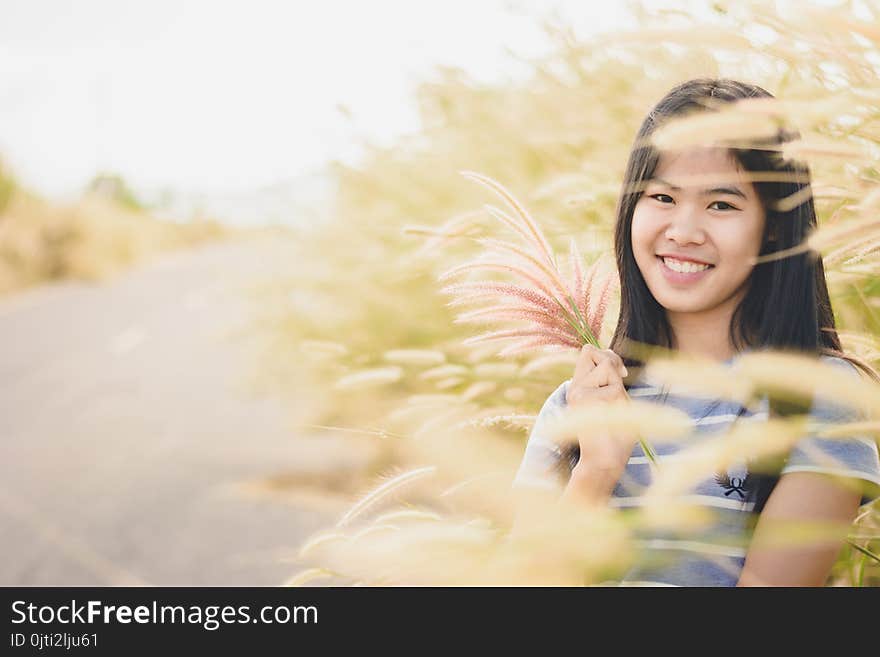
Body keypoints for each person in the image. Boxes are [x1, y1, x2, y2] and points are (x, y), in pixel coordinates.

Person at [510, 78, 880, 587]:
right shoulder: (574, 407)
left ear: (774, 225)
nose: (683, 231)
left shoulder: (818, 397)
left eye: (721, 204)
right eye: (662, 196)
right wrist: (595, 470)